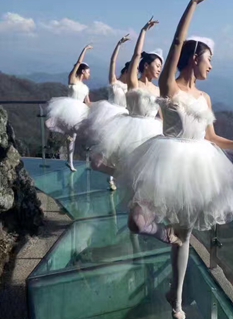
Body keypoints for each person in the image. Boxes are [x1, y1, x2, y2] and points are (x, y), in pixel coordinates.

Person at [120, 0, 233, 319]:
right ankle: (161, 235)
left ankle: (177, 297)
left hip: (197, 169)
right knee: (137, 222)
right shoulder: (169, 87)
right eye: (209, 59)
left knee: (184, 236)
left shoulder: (205, 99)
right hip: (165, 164)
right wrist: (194, 3)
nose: (212, 67)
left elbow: (211, 137)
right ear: (195, 58)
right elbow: (176, 44)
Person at [87, 18, 163, 179]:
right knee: (124, 167)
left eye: (160, 67)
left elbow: (162, 115)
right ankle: (120, 176)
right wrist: (143, 32)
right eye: (157, 66)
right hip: (132, 130)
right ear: (146, 66)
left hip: (153, 131)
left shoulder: (158, 90)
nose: (159, 70)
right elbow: (136, 55)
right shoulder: (134, 83)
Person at [82, 35, 130, 190]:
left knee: (117, 150)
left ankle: (114, 178)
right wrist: (119, 45)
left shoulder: (131, 88)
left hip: (123, 119)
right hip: (109, 117)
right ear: (126, 71)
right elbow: (112, 62)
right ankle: (112, 174)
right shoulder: (114, 82)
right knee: (106, 148)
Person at [45, 44, 92, 171]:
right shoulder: (73, 80)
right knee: (69, 135)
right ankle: (70, 160)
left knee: (74, 137)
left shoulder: (86, 88)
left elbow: (88, 102)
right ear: (83, 71)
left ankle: (70, 161)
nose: (89, 74)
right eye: (88, 72)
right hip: (69, 108)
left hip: (80, 111)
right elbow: (78, 63)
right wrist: (84, 50)